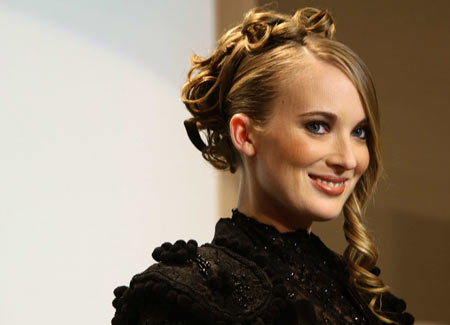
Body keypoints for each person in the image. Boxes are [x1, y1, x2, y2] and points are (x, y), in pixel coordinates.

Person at [111, 7, 414, 325]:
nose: (348, 159)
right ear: (244, 134)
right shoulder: (184, 296)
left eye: (359, 132)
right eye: (317, 127)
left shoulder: (366, 297)